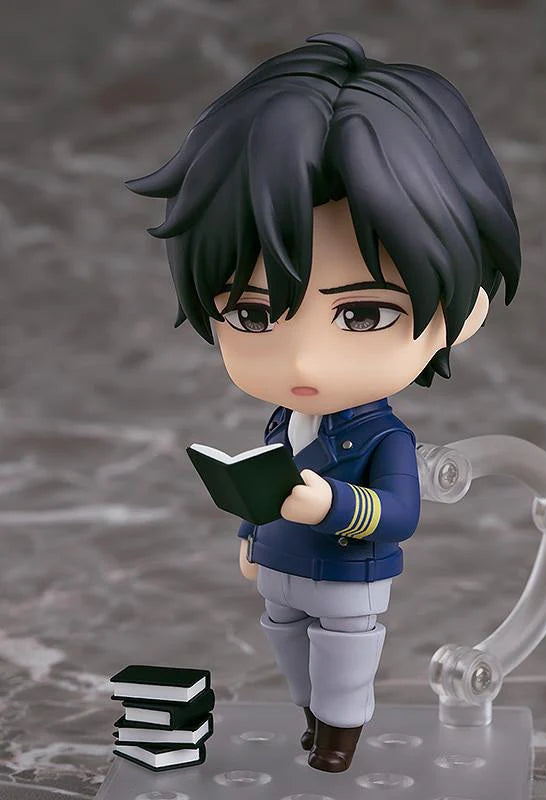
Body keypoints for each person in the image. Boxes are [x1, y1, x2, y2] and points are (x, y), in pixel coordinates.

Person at [126, 32, 521, 773]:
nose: (303, 361)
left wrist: (331, 504)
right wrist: (251, 536)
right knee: (287, 647)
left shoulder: (386, 440)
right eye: (251, 314)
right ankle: (312, 719)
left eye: (363, 313)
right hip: (278, 563)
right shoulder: (283, 417)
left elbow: (399, 516)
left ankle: (339, 735)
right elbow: (263, 478)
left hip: (346, 575)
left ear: (462, 314)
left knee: (343, 659)